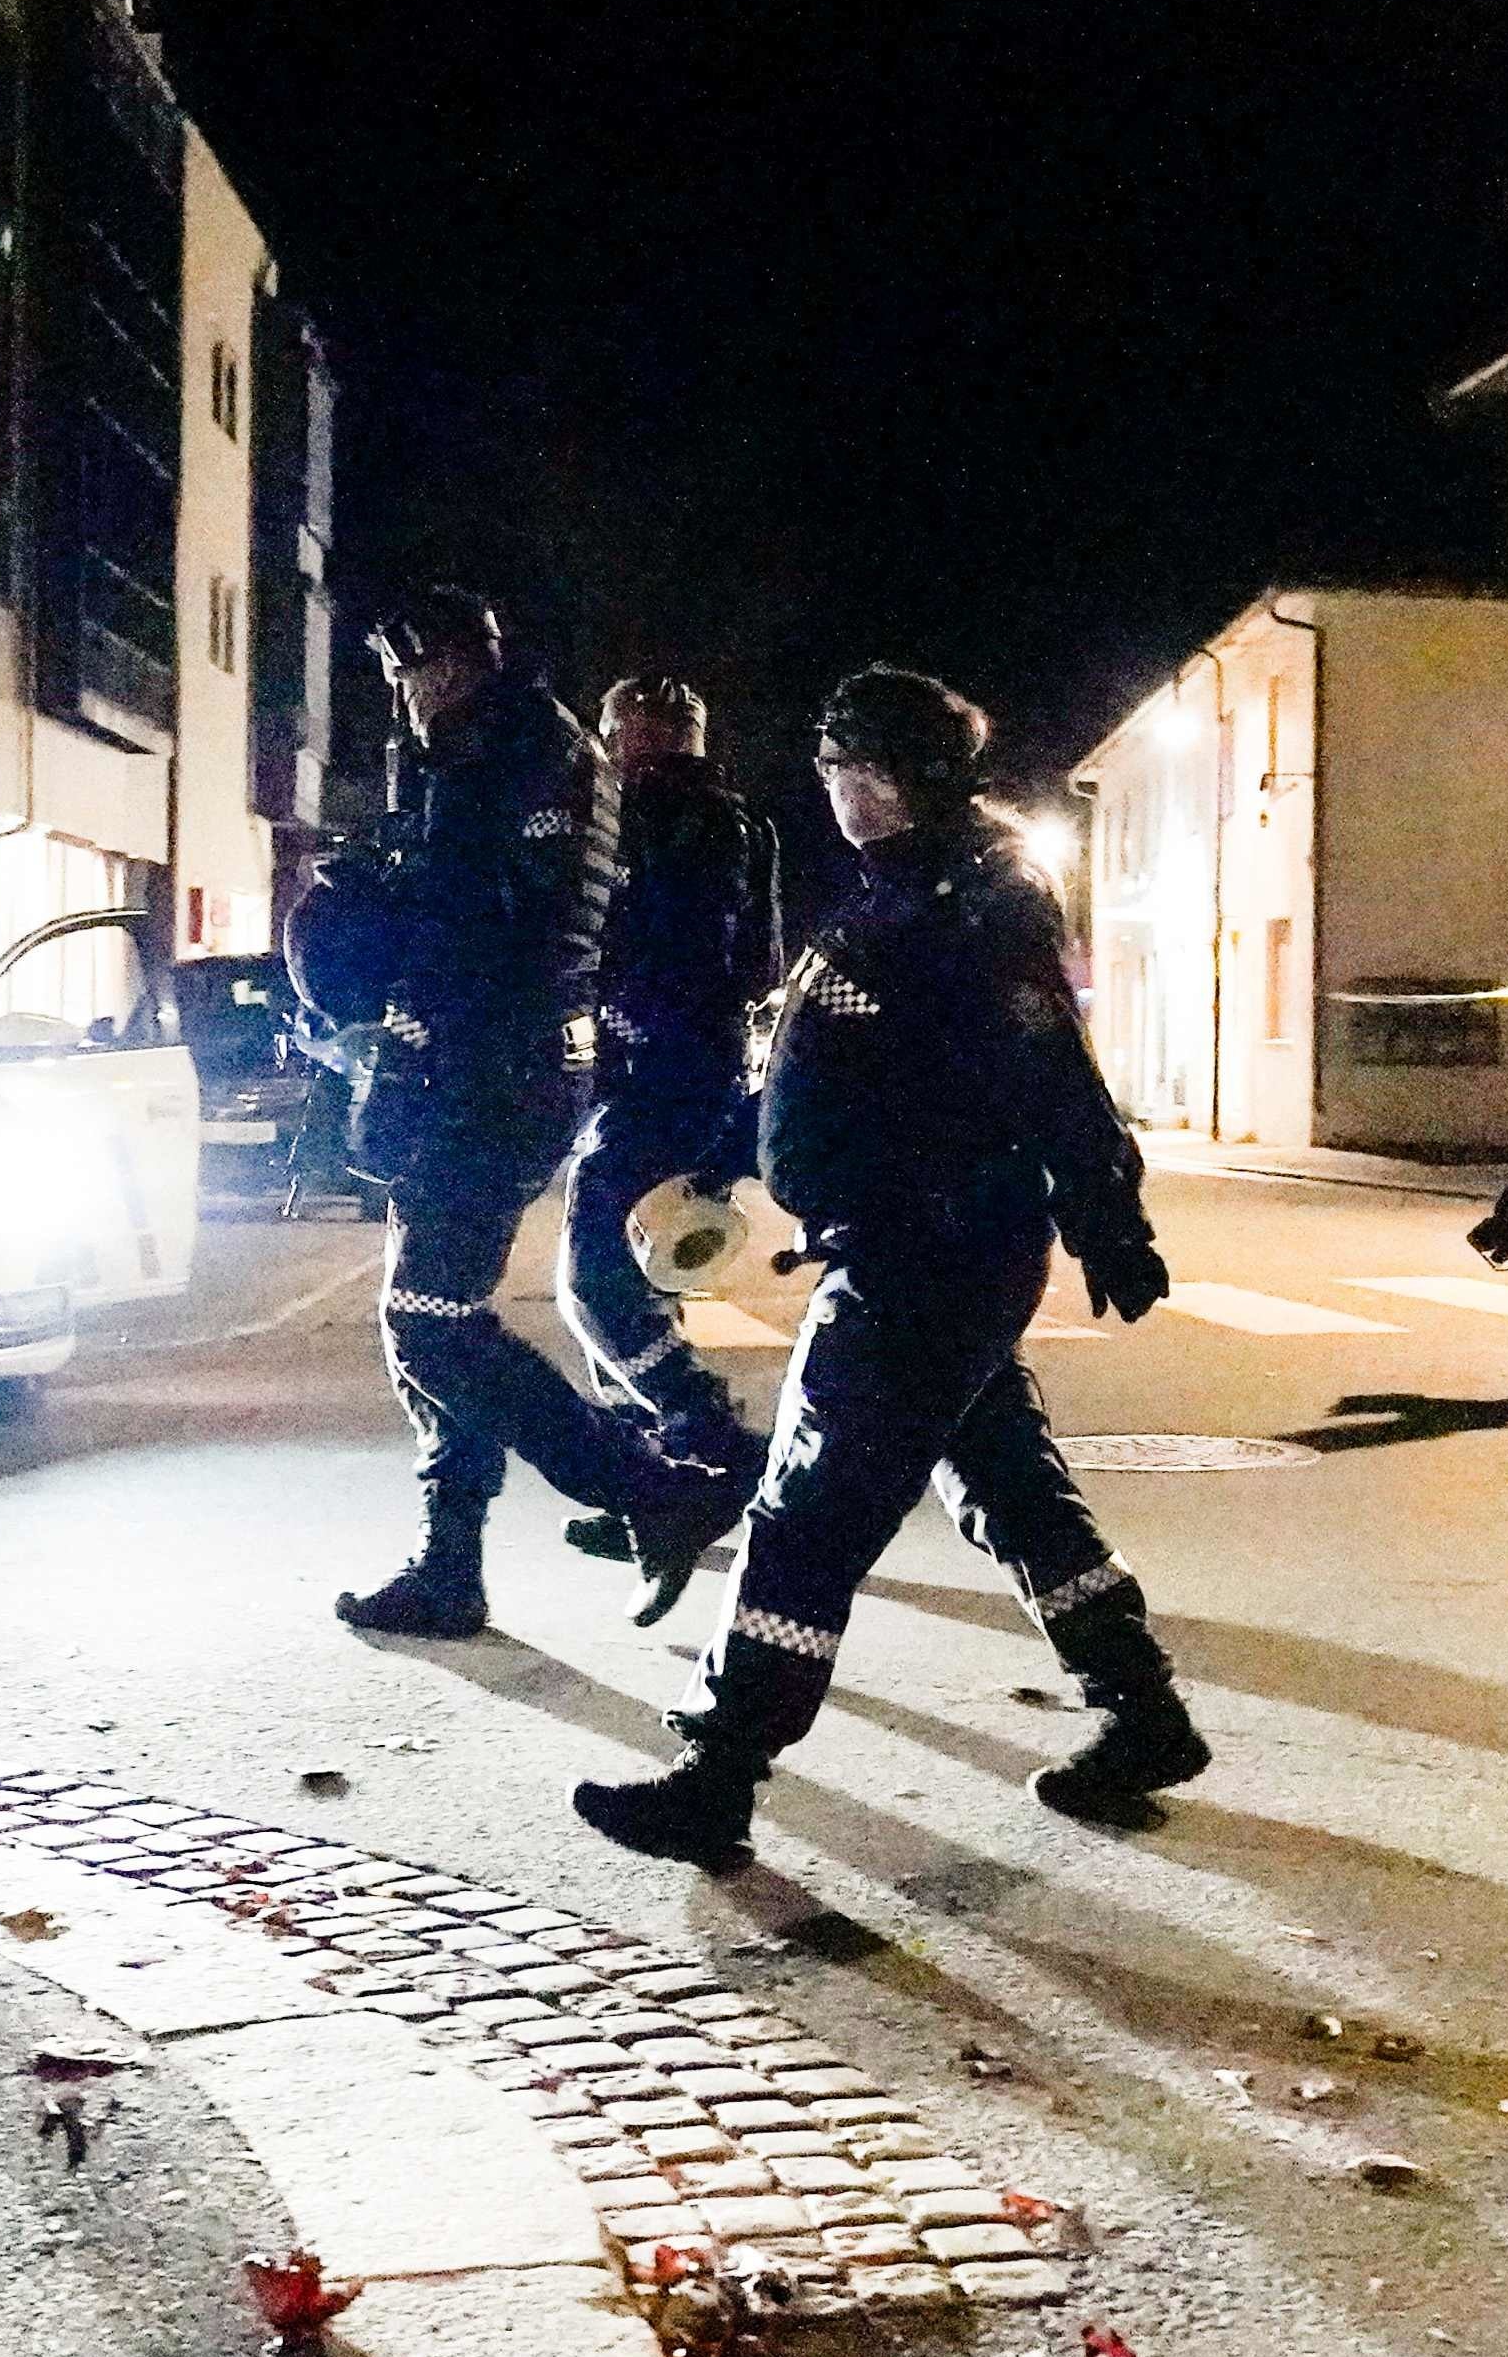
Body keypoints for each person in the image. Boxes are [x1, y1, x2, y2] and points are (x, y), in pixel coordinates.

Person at [573, 668, 1205, 1870]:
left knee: (807, 1510)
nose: (833, 791)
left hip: (930, 1256)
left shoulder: (982, 899)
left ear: (904, 774)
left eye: (848, 769)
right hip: (914, 1249)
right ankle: (1144, 1715)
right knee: (1007, 1487)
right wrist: (728, 1156)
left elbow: (1049, 1068)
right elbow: (824, 1060)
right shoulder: (900, 892)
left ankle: (719, 1771)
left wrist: (1107, 1217)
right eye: (826, 769)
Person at [310, 588, 748, 1639]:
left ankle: (651, 1488)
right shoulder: (524, 748)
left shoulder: (496, 756)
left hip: (482, 1073)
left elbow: (471, 925)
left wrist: (371, 908)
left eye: (410, 675)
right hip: (507, 1069)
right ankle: (449, 1562)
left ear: (450, 666)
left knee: (432, 1326)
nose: (404, 699)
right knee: (432, 1321)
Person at [555, 675, 781, 1555]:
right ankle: (657, 1474)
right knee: (642, 1284)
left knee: (597, 1287)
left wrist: (612, 1009)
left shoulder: (646, 820)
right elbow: (757, 960)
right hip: (688, 1075)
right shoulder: (738, 820)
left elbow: (653, 949)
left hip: (651, 1080)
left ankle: (708, 1444)